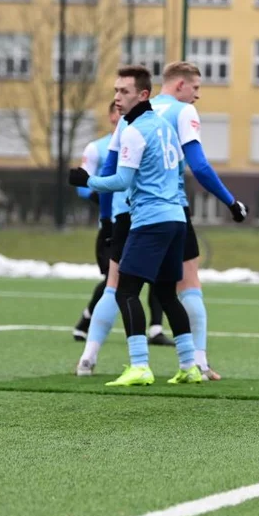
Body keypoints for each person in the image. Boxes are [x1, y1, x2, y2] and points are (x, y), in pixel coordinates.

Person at [77, 62, 247, 380]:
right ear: (180, 85)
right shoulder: (178, 115)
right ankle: (196, 363)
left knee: (118, 287)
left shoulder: (133, 121)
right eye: (195, 88)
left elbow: (115, 169)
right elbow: (199, 165)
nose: (197, 95)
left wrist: (105, 219)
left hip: (135, 213)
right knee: (183, 287)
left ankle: (92, 359)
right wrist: (230, 201)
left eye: (121, 91)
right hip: (173, 212)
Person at [68, 71, 197, 387]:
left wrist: (88, 181)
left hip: (150, 221)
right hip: (176, 219)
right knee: (167, 295)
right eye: (115, 90)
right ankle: (190, 365)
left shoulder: (134, 131)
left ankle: (139, 365)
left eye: (124, 91)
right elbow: (181, 169)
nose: (117, 97)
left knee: (125, 290)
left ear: (143, 95)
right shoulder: (166, 127)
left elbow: (122, 181)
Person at [72, 100, 173, 347]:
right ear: (110, 117)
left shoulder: (144, 135)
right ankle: (87, 322)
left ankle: (155, 328)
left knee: (157, 275)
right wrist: (104, 206)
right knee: (114, 279)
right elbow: (84, 185)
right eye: (116, 112)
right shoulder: (97, 148)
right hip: (117, 220)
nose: (120, 116)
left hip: (144, 218)